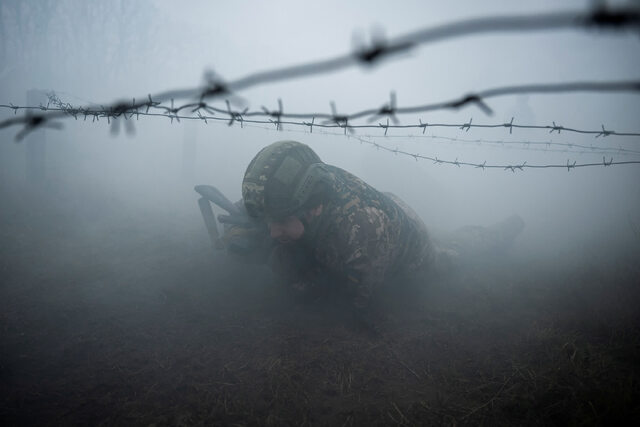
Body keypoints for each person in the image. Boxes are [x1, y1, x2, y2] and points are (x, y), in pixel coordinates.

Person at [234, 140, 434, 319]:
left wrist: (311, 288)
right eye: (271, 222)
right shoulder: (296, 191)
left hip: (412, 252)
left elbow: (355, 298)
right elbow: (257, 206)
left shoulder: (361, 234)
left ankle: (461, 241)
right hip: (382, 207)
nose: (273, 232)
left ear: (314, 209)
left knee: (443, 259)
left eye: (282, 222)